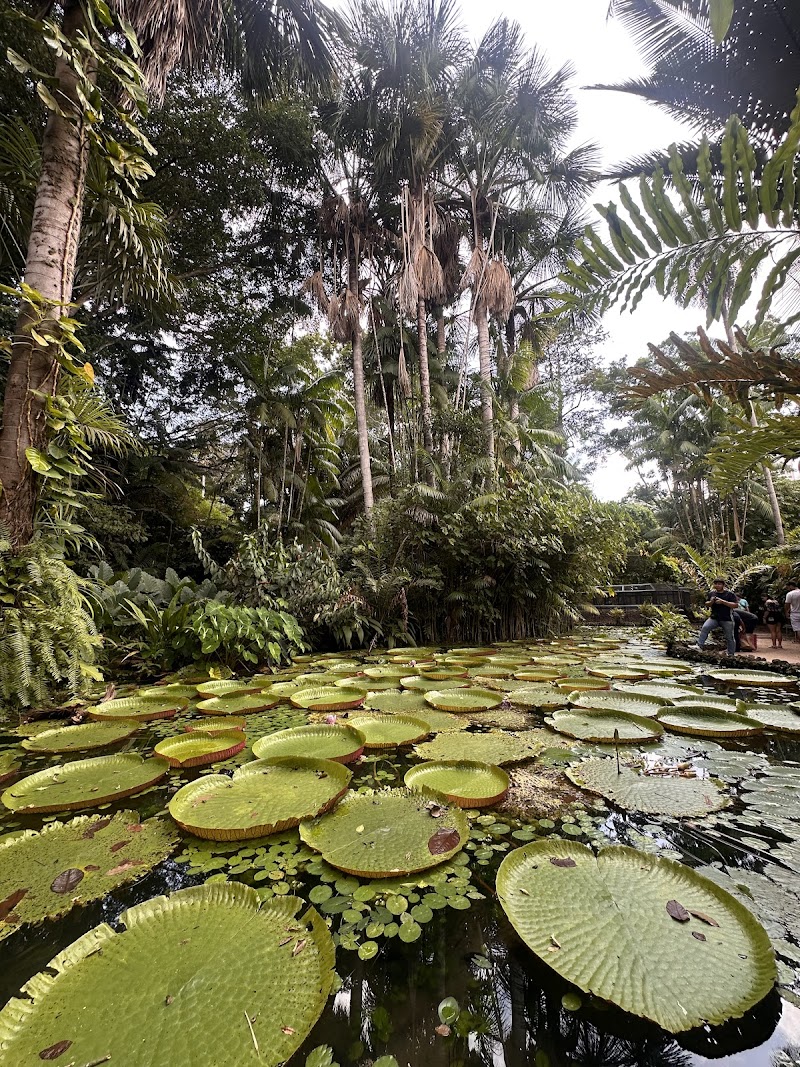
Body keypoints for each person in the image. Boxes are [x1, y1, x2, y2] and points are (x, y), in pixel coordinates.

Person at [697, 577, 739, 656]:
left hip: (727, 618)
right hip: (714, 617)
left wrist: (723, 602)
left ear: (723, 585)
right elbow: (707, 604)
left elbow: (735, 605)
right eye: (716, 584)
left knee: (729, 637)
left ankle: (731, 653)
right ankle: (699, 645)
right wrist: (712, 601)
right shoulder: (712, 593)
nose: (717, 585)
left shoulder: (729, 594)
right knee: (705, 628)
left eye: (719, 584)